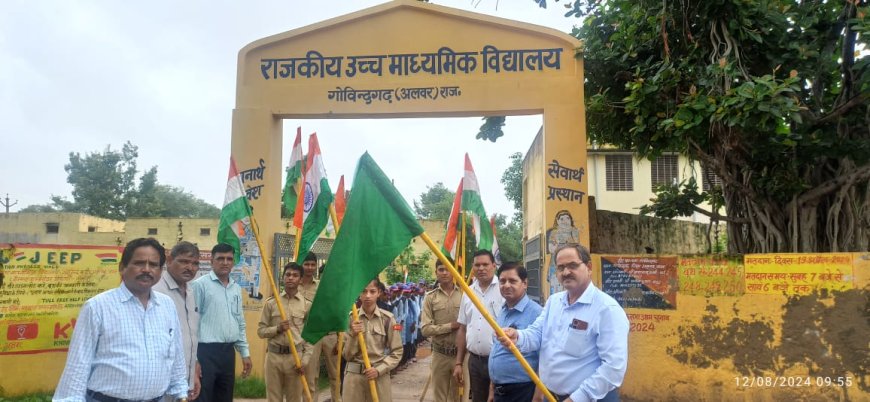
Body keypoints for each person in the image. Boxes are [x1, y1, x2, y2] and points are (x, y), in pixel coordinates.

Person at [54, 238, 188, 402]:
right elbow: (78, 364)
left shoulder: (166, 305)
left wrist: (181, 392)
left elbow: (176, 354)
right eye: (139, 263)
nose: (147, 270)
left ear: (161, 271)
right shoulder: (98, 307)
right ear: (122, 267)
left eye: (153, 265)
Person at [500, 244, 629, 402]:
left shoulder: (607, 309)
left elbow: (613, 368)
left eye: (573, 265)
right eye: (560, 267)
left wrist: (577, 398)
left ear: (588, 267)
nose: (566, 272)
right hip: (551, 395)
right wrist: (517, 337)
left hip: (591, 398)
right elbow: (537, 334)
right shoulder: (554, 302)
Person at [192, 243, 252, 402]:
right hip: (205, 353)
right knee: (202, 397)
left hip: (227, 353)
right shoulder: (200, 285)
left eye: (229, 259)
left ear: (233, 262)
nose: (225, 262)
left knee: (225, 397)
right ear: (212, 261)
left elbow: (239, 321)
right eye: (220, 258)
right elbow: (192, 323)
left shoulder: (236, 288)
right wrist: (194, 359)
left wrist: (245, 353)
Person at [453, 250, 505, 402]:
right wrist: (458, 363)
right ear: (473, 268)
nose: (481, 268)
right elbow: (462, 328)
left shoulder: (504, 289)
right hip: (475, 362)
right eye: (477, 265)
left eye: (485, 264)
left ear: (494, 266)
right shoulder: (468, 292)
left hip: (499, 360)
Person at [153, 241, 202, 401]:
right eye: (184, 261)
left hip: (183, 383)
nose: (190, 267)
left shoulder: (190, 291)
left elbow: (189, 337)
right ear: (169, 260)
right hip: (159, 383)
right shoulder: (155, 291)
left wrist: (193, 369)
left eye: (195, 263)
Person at [488, 262, 543, 402]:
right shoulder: (503, 311)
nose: (506, 285)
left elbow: (545, 358)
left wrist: (538, 395)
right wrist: (492, 389)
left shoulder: (537, 313)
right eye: (502, 281)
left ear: (524, 283)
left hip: (523, 391)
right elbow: (497, 350)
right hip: (500, 391)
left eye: (512, 281)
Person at [257, 262, 312, 402]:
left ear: (300, 280)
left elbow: (310, 337)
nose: (290, 278)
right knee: (273, 398)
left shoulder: (306, 305)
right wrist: (277, 329)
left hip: (295, 358)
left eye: (295, 275)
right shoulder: (272, 303)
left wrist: (304, 361)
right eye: (287, 274)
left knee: (294, 398)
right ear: (283, 277)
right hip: (273, 357)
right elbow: (261, 331)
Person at [341, 278, 403, 402]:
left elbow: (397, 352)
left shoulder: (388, 319)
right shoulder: (350, 319)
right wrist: (353, 335)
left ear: (379, 292)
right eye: (363, 291)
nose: (367, 296)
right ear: (359, 293)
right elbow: (346, 356)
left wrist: (379, 370)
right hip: (354, 379)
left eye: (372, 291)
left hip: (378, 377)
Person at [299, 251, 342, 402]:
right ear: (301, 265)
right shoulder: (295, 287)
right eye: (306, 264)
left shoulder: (322, 286)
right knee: (311, 377)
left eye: (312, 265)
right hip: (310, 337)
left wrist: (339, 337)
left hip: (330, 334)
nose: (310, 268)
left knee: (335, 376)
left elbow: (335, 310)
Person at [420, 258, 462, 402]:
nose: (445, 273)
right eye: (441, 269)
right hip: (440, 354)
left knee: (459, 397)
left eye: (448, 269)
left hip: (461, 356)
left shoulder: (465, 295)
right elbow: (425, 329)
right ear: (436, 272)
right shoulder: (430, 298)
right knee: (440, 397)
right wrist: (450, 326)